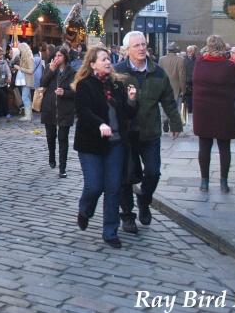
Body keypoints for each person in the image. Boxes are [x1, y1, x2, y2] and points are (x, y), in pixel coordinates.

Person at [115, 30, 182, 235]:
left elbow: (168, 100)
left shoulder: (158, 72)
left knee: (153, 172)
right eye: (137, 45)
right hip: (126, 134)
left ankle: (144, 200)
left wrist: (175, 123)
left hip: (150, 132)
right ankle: (127, 216)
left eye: (143, 44)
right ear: (127, 50)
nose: (142, 48)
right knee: (125, 177)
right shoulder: (118, 72)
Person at [72, 46, 138, 248]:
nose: (108, 62)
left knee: (113, 188)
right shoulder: (85, 85)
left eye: (109, 58)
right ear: (92, 64)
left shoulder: (116, 85)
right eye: (103, 59)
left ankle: (110, 231)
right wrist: (99, 124)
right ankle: (85, 210)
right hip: (91, 145)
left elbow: (126, 114)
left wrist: (132, 100)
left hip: (116, 144)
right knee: (94, 186)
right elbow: (82, 111)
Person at [191, 35, 235, 193]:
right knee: (224, 147)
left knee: (204, 146)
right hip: (224, 112)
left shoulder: (199, 63)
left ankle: (204, 182)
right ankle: (224, 183)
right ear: (224, 48)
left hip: (203, 112)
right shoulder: (231, 67)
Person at [41, 47, 76, 177]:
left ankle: (62, 168)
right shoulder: (50, 68)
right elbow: (42, 82)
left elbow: (75, 91)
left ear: (65, 57)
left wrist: (65, 93)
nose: (57, 58)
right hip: (49, 107)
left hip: (65, 109)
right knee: (50, 136)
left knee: (63, 138)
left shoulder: (72, 72)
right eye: (56, 55)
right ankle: (51, 156)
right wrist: (51, 69)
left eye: (60, 55)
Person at [158, 42, 188, 132]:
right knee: (175, 107)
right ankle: (173, 123)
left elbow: (159, 74)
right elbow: (182, 75)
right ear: (175, 50)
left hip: (164, 85)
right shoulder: (180, 60)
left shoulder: (161, 59)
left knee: (164, 104)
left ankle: (165, 119)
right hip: (176, 86)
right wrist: (183, 89)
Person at [13, 41, 35, 121]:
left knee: (25, 97)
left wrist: (20, 68)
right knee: (25, 97)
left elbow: (31, 70)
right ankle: (29, 115)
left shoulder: (29, 58)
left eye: (20, 49)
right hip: (24, 79)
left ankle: (28, 116)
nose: (20, 51)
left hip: (27, 80)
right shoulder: (24, 57)